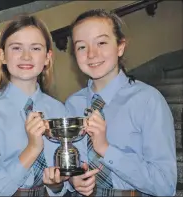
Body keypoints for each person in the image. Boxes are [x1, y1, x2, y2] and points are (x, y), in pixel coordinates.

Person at [65, 9, 177, 196]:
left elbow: (165, 185)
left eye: (101, 42)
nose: (92, 54)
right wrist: (72, 180)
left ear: (120, 47)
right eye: (82, 47)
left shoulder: (148, 100)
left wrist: (105, 149)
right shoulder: (72, 104)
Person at [0, 15, 69, 196]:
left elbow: (63, 183)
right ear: (2, 56)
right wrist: (32, 149)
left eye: (35, 48)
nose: (26, 56)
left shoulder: (58, 109)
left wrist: (56, 185)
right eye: (16, 48)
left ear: (47, 57)